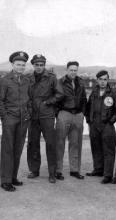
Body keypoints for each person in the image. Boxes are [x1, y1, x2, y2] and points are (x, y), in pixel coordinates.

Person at [27, 54, 63, 183]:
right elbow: (26, 96)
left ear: (44, 65)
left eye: (41, 65)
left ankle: (52, 173)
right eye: (37, 65)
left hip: (47, 115)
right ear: (33, 65)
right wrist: (29, 107)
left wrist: (48, 102)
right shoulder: (28, 78)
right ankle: (34, 170)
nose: (39, 67)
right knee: (32, 143)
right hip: (33, 116)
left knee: (50, 144)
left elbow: (60, 94)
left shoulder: (51, 78)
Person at [0, 51, 31, 191]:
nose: (21, 67)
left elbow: (29, 99)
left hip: (23, 119)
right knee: (7, 150)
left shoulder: (26, 80)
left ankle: (13, 177)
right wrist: (5, 117)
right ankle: (5, 181)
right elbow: (0, 101)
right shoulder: (5, 80)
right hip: (10, 119)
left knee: (18, 149)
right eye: (18, 64)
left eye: (23, 65)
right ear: (12, 64)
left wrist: (28, 113)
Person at [85, 70, 116, 184]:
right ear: (97, 80)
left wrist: (111, 121)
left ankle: (108, 175)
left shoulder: (113, 93)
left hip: (107, 125)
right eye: (100, 79)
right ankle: (98, 170)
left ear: (108, 80)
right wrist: (89, 121)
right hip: (94, 124)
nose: (103, 82)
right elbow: (88, 107)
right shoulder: (94, 92)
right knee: (96, 148)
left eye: (105, 79)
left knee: (108, 150)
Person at [55, 61, 87, 180]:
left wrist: (82, 113)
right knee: (59, 143)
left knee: (76, 143)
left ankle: (74, 170)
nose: (73, 72)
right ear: (67, 70)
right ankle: (58, 170)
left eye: (75, 70)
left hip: (78, 115)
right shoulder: (60, 82)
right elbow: (55, 98)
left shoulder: (81, 82)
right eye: (71, 70)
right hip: (64, 113)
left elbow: (84, 99)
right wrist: (58, 114)